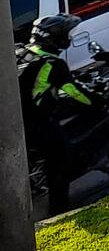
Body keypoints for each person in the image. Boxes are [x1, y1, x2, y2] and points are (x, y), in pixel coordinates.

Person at [17, 14, 95, 214]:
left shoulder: (21, 51)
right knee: (61, 161)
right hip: (32, 123)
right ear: (56, 39)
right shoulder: (53, 64)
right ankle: (59, 210)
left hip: (13, 119)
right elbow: (76, 93)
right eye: (66, 34)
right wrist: (96, 100)